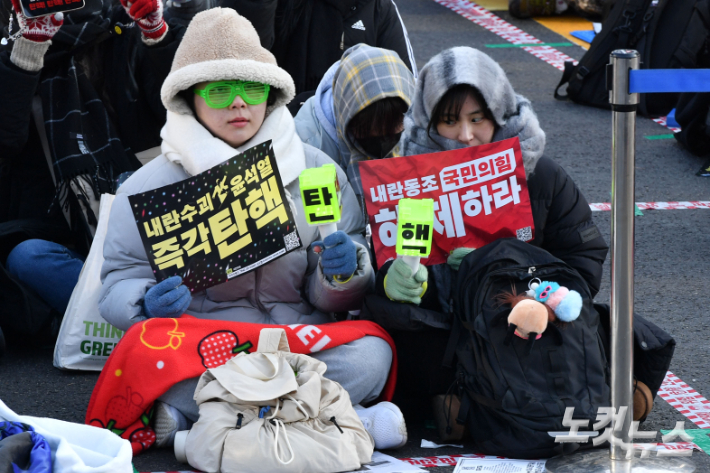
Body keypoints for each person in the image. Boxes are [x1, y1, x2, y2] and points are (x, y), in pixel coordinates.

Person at [98, 8, 406, 451]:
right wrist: (143, 303)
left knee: (373, 354)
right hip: (205, 345)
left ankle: (206, 426)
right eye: (220, 91)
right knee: (146, 354)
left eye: (252, 88)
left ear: (272, 94)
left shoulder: (316, 169)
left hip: (296, 340)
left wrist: (342, 273)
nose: (239, 103)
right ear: (190, 98)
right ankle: (337, 417)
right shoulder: (147, 186)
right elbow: (117, 283)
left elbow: (339, 286)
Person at [368, 46, 608, 413]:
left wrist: (509, 274)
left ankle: (469, 405)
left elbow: (583, 259)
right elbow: (385, 257)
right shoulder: (405, 181)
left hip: (530, 317)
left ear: (500, 114)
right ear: (429, 123)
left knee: (617, 327)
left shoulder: (540, 175)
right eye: (449, 121)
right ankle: (464, 402)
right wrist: (398, 277)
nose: (466, 135)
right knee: (392, 330)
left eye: (478, 119)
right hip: (446, 326)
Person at [0, 0, 188, 346]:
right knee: (27, 257)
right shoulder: (12, 31)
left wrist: (156, 33)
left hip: (143, 212)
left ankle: (129, 318)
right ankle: (137, 317)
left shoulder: (125, 22)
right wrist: (27, 51)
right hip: (62, 225)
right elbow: (6, 140)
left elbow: (179, 110)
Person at [294, 43, 415, 203]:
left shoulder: (425, 123)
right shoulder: (308, 144)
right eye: (368, 130)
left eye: (394, 128)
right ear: (347, 118)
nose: (382, 142)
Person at [272, 0, 417, 99]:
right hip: (284, 126)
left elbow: (406, 83)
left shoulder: (378, 7)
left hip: (359, 129)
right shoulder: (281, 6)